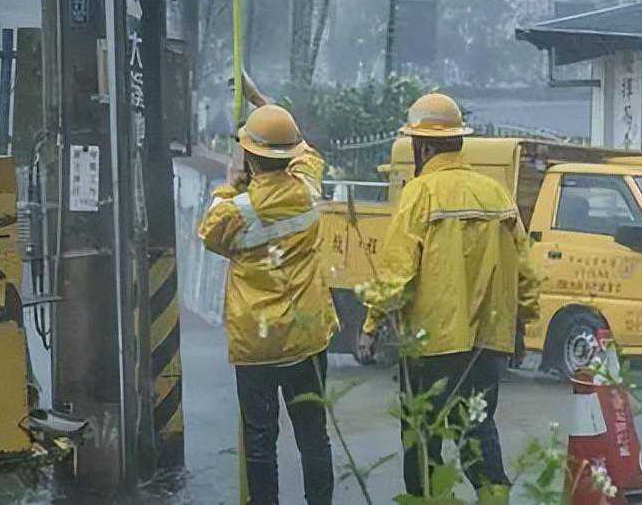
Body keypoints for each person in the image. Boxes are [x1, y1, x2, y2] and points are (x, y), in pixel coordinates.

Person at [357, 92, 542, 497]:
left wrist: (371, 325)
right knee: (477, 431)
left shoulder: (420, 193)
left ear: (422, 147)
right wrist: (522, 327)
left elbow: (397, 271)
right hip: (487, 343)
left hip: (431, 344)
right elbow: (526, 272)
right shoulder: (496, 194)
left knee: (422, 439)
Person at [196, 78, 336, 505]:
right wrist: (260, 100)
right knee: (314, 437)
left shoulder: (234, 211)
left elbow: (209, 233)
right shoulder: (309, 188)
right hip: (306, 336)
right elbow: (303, 148)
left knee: (260, 442)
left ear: (250, 160)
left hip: (256, 343)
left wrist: (231, 180)